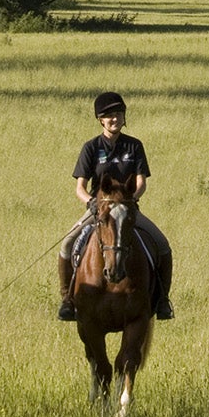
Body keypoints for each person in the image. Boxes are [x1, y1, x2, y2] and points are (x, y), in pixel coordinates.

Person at [56, 90, 174, 320]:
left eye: (119, 114)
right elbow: (80, 186)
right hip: (100, 210)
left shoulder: (134, 146)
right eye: (109, 116)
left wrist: (129, 201)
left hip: (127, 209)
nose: (115, 119)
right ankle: (67, 300)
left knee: (162, 244)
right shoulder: (90, 148)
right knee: (68, 244)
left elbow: (141, 182)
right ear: (101, 120)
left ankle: (162, 301)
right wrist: (90, 202)